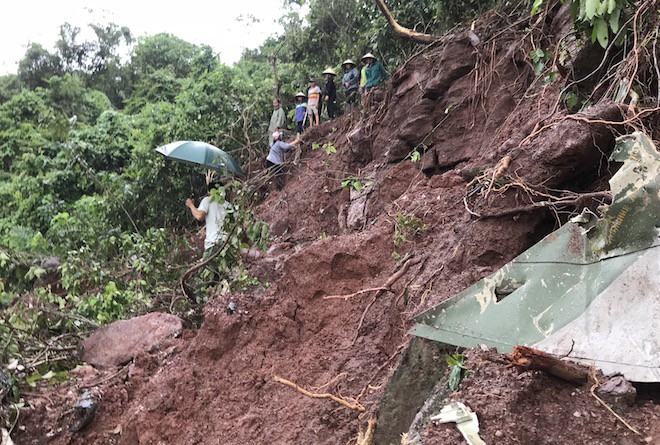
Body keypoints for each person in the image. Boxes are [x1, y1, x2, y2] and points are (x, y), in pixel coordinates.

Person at [185, 180, 229, 252]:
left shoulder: (208, 200)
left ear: (209, 192)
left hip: (213, 243)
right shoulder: (228, 205)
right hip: (227, 243)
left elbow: (199, 215)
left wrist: (191, 205)